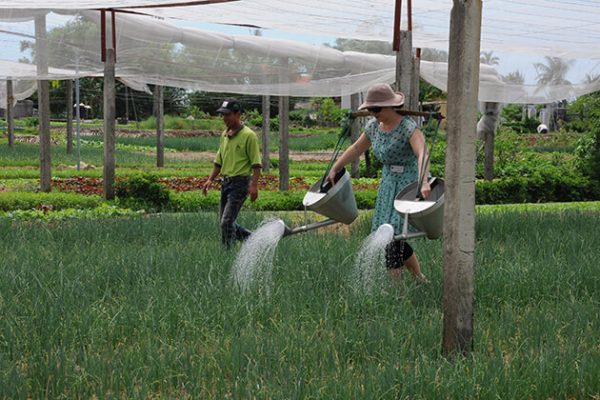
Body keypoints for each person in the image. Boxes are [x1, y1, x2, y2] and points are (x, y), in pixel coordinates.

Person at [327, 83, 431, 282]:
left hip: (408, 186)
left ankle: (397, 293)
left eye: (377, 109)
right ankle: (419, 279)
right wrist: (336, 167)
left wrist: (423, 181)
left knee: (393, 238)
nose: (373, 113)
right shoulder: (374, 127)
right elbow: (357, 148)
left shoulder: (408, 127)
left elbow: (422, 153)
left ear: (392, 106)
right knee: (390, 235)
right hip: (388, 186)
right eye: (370, 109)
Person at [202, 98, 262, 248]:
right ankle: (254, 240)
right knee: (225, 222)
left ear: (237, 114)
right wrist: (210, 179)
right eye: (222, 115)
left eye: (227, 115)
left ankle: (227, 252)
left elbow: (256, 164)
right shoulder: (224, 135)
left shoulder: (249, 136)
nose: (224, 118)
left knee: (226, 222)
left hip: (240, 184)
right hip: (226, 183)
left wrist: (254, 186)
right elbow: (219, 161)